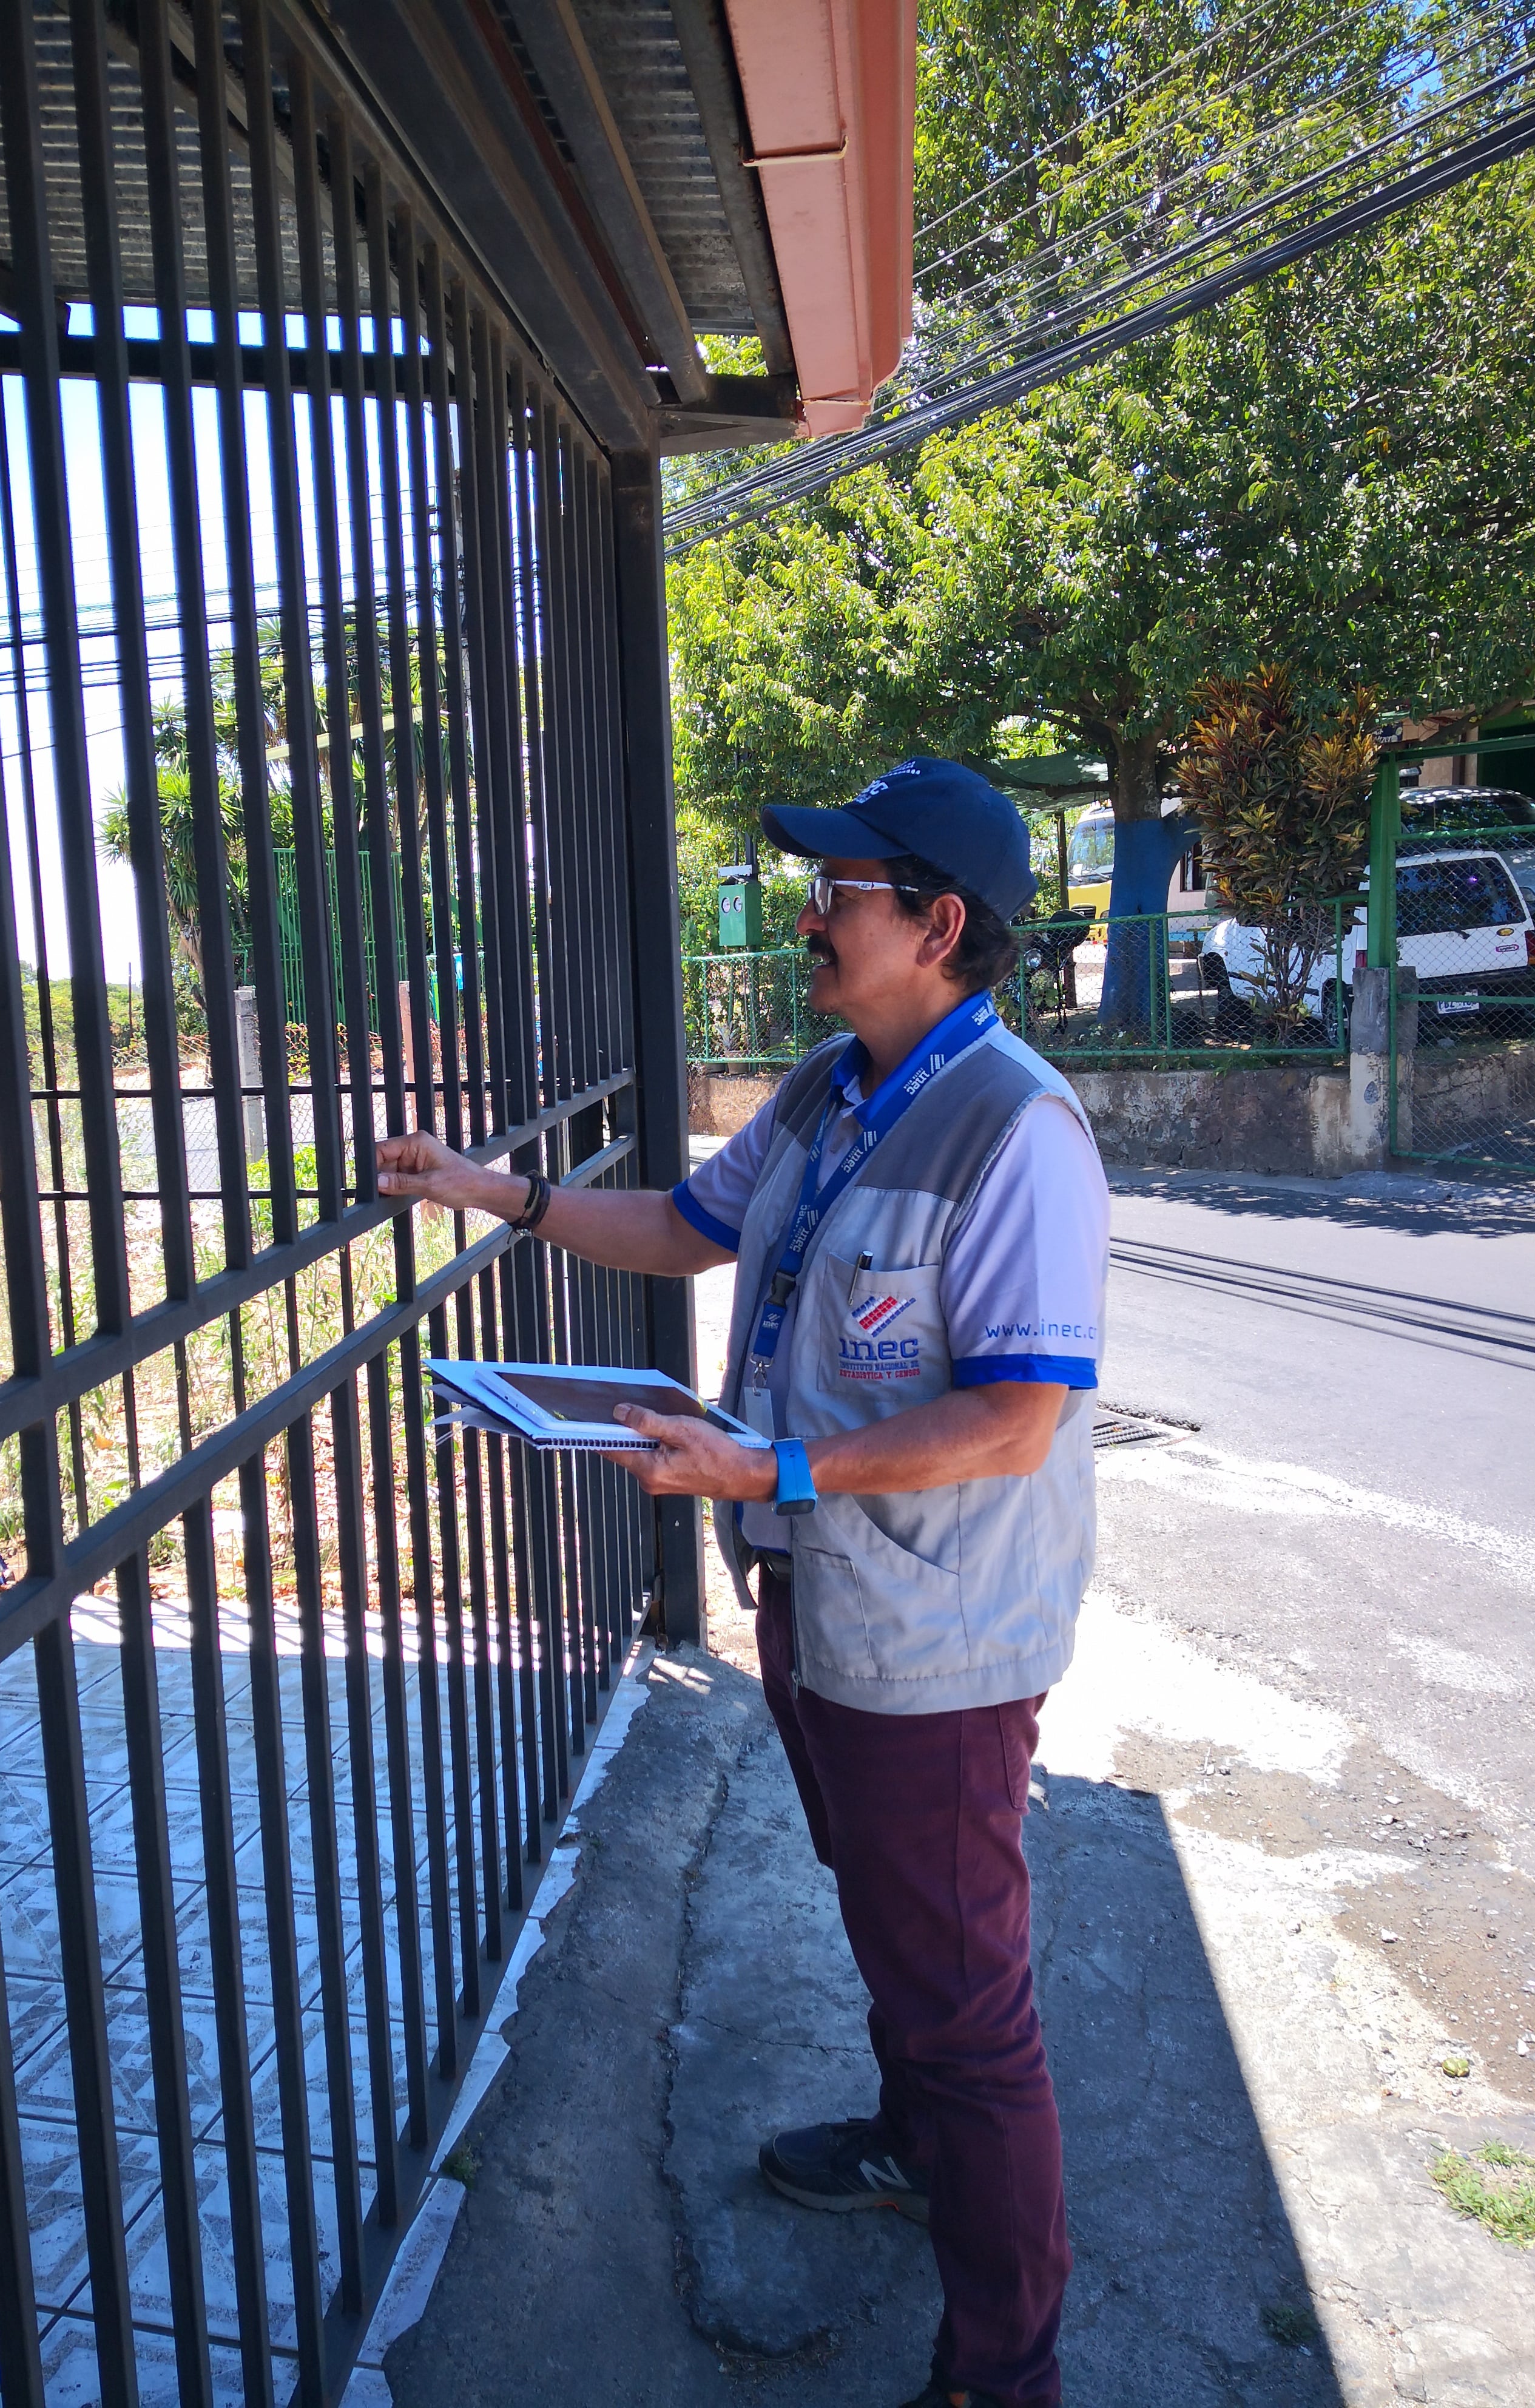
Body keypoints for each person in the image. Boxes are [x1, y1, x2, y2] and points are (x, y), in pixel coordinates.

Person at [377, 756, 1109, 2408]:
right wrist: (501, 1194)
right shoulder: (833, 1087)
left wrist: (770, 1469)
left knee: (969, 2005)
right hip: (820, 1600)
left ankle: (1007, 2374)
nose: (809, 917)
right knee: (895, 1922)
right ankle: (913, 2144)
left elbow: (1017, 1418)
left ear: (936, 925)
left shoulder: (1020, 1131)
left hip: (937, 1637)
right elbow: (688, 1225)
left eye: (840, 892)